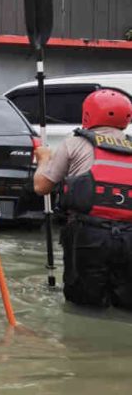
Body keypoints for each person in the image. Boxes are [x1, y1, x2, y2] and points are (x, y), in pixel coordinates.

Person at [33, 89, 132, 309]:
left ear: (88, 114)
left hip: (88, 236)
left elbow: (41, 187)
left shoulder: (74, 143)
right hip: (129, 238)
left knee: (84, 306)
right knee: (126, 307)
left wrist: (44, 159)